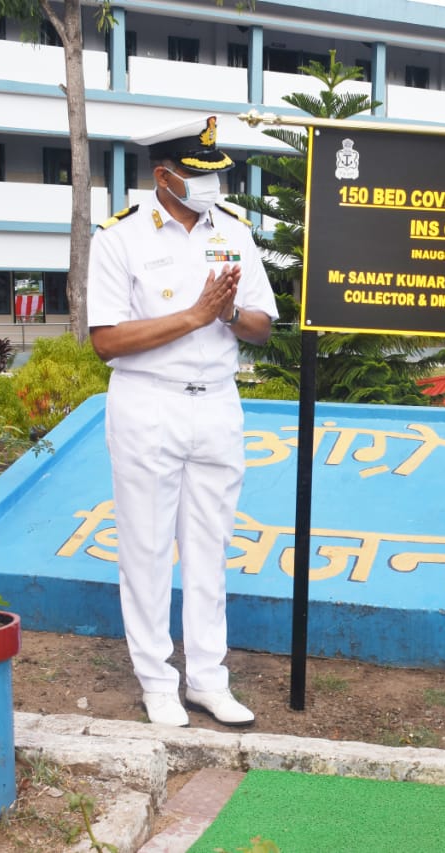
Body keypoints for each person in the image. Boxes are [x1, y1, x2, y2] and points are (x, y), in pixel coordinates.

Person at [88, 115, 278, 728]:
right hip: (149, 402)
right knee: (145, 547)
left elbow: (262, 322)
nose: (210, 187)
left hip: (218, 402)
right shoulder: (120, 239)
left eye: (215, 175)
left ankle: (207, 679)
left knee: (209, 548)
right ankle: (155, 680)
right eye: (197, 177)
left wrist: (225, 317)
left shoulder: (235, 234)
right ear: (162, 175)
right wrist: (196, 314)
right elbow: (108, 340)